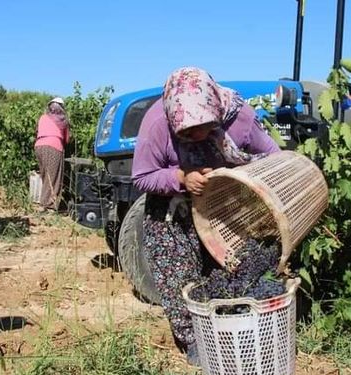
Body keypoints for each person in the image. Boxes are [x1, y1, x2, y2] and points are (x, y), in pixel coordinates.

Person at [131, 67, 280, 365]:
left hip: (225, 205)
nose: (197, 136)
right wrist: (180, 177)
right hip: (173, 208)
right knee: (179, 277)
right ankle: (193, 339)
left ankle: (231, 330)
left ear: (216, 109)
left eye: (205, 127)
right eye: (186, 132)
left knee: (230, 270)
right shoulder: (157, 124)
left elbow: (275, 159)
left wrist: (239, 177)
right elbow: (142, 176)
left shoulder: (241, 119)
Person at [34, 97, 70, 212]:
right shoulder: (62, 119)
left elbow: (38, 131)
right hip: (54, 146)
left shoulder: (43, 117)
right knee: (54, 177)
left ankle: (43, 203)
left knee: (45, 175)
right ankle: (49, 206)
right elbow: (67, 139)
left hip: (39, 146)